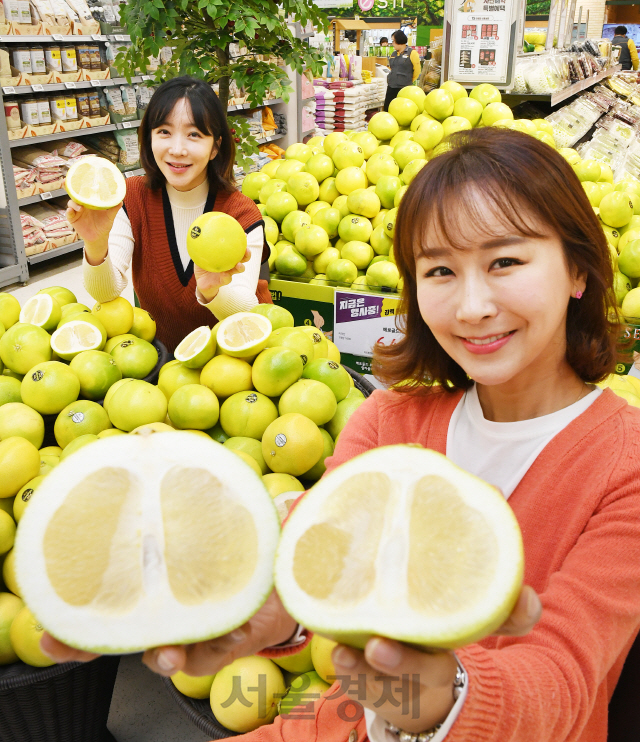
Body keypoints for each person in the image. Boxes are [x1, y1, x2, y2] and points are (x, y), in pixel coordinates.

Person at [43, 129, 640, 742]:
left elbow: (564, 678)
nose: (472, 305)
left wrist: (436, 699)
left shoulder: (625, 467)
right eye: (439, 269)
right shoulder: (390, 421)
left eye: (505, 261)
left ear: (579, 270)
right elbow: (316, 550)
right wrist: (270, 600)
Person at [72, 75, 272, 353]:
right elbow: (107, 292)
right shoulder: (131, 197)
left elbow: (246, 313)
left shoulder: (239, 213)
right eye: (164, 132)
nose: (177, 150)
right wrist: (95, 243)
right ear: (148, 136)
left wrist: (212, 291)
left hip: (234, 361)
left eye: (194, 135)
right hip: (163, 362)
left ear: (215, 146)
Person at [384, 30, 421, 111]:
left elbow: (417, 71)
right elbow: (391, 68)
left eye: (393, 41)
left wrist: (408, 80)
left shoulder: (412, 53)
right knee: (388, 109)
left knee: (402, 111)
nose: (392, 43)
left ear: (399, 40)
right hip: (391, 87)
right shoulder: (393, 54)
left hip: (404, 89)